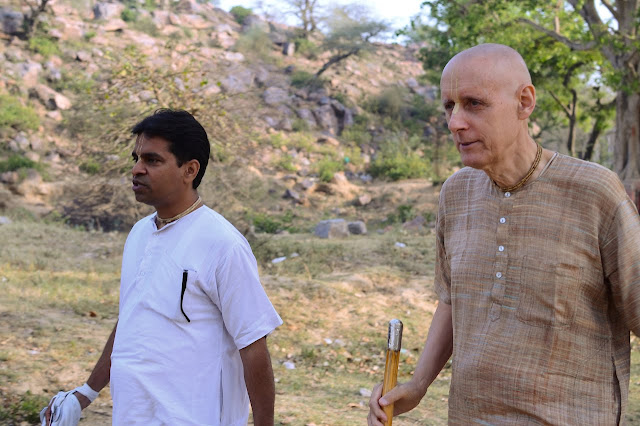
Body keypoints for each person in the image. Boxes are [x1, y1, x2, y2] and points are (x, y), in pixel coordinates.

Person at [368, 43, 640, 425]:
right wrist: (418, 384)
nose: (455, 122)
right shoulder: (456, 193)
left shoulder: (594, 192)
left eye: (474, 103)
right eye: (449, 106)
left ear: (524, 103)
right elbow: (452, 299)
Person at [42, 109, 283, 425]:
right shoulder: (139, 234)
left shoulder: (223, 244)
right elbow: (132, 317)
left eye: (152, 160)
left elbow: (253, 346)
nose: (136, 169)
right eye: (136, 158)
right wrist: (86, 393)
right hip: (133, 415)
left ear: (189, 170)